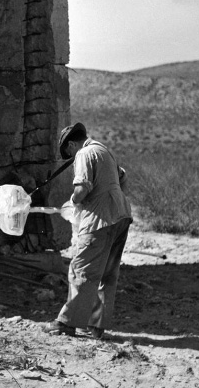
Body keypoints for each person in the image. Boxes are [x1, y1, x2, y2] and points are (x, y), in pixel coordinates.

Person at [43, 122, 133, 339]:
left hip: (99, 220)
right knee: (107, 274)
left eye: (70, 153)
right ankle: (96, 325)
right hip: (121, 216)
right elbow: (123, 177)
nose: (72, 157)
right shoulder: (105, 151)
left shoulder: (84, 153)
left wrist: (74, 201)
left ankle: (67, 323)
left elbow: (82, 188)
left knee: (81, 269)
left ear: (73, 144)